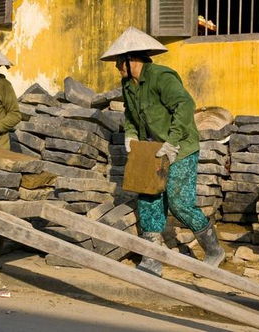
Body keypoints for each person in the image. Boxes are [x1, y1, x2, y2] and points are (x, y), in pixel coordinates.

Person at [100, 27, 225, 276]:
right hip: (153, 149)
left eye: (118, 62)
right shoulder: (129, 85)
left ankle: (213, 250)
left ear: (131, 58)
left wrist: (172, 142)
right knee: (148, 199)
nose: (116, 67)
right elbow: (131, 115)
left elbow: (184, 104)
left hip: (180, 147)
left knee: (179, 204)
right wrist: (132, 135)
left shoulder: (161, 77)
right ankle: (152, 257)